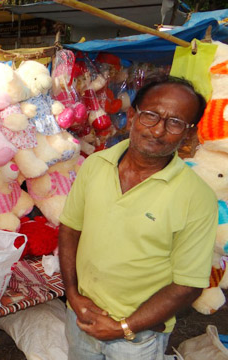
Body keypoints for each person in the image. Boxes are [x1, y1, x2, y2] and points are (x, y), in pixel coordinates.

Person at [58, 77, 218, 360]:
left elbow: (188, 285)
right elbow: (71, 228)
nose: (158, 130)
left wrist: (124, 327)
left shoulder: (197, 197)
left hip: (139, 338)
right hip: (81, 317)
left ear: (189, 134)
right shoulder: (95, 165)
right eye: (151, 115)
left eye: (175, 122)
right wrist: (73, 295)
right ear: (132, 115)